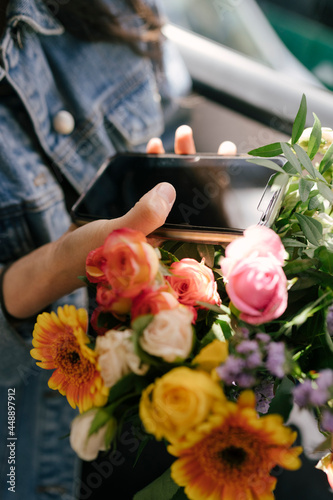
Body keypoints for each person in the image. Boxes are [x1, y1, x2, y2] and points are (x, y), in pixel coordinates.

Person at [0, 1, 236, 499]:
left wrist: (192, 203)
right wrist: (57, 268)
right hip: (30, 444)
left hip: (169, 385)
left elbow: (166, 121)